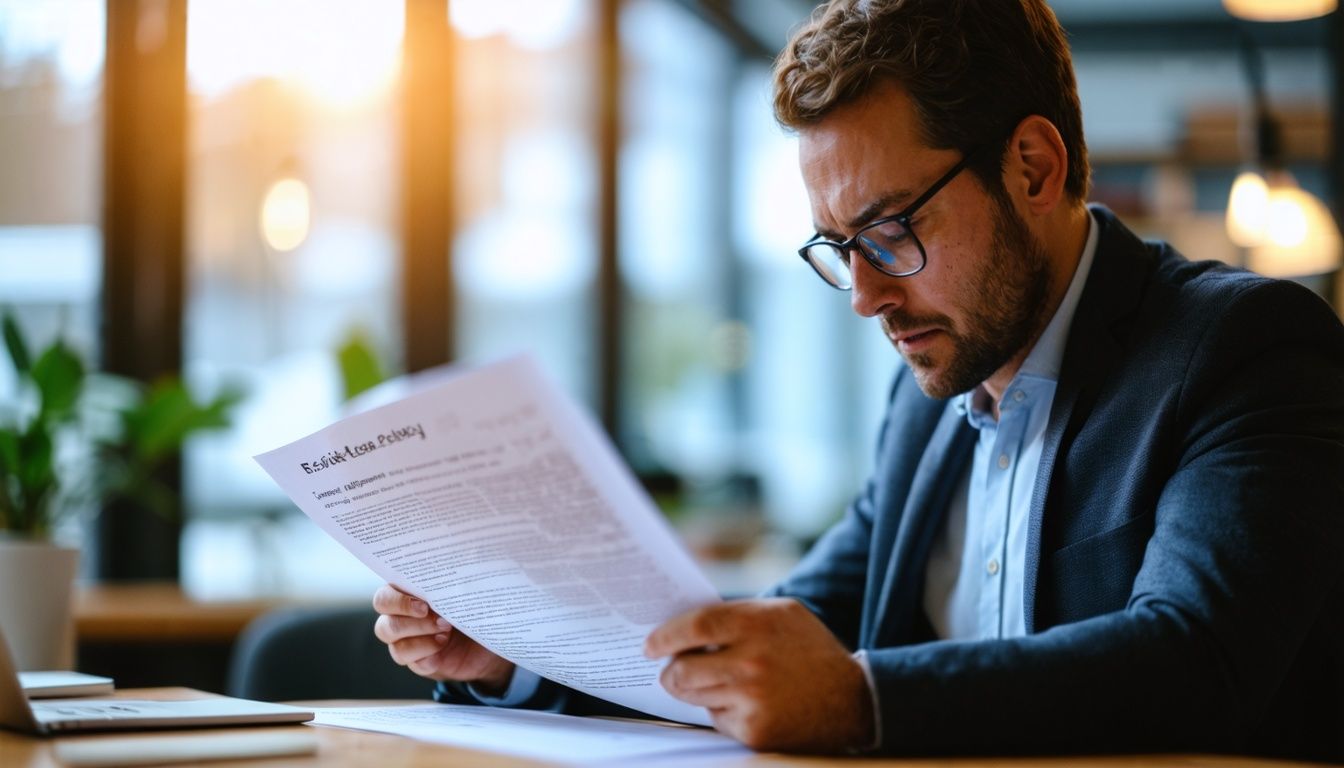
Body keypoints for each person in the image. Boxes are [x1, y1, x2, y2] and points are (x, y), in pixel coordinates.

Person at [374, 0, 1344, 759]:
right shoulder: (924, 408)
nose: (865, 298)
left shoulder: (1245, 348)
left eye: (890, 232)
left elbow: (1196, 660)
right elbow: (777, 647)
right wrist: (519, 657)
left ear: (1034, 167)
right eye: (840, 248)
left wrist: (861, 699)